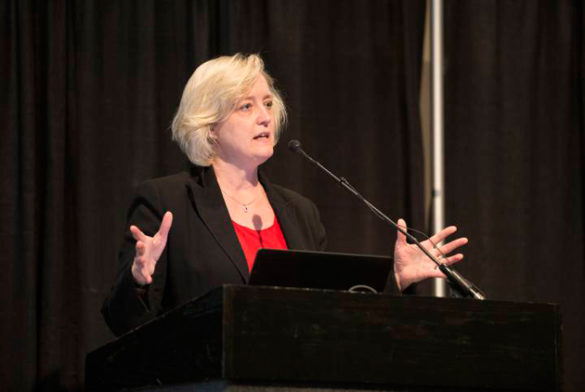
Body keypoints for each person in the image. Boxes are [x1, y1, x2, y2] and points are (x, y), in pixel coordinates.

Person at [102, 54, 467, 336]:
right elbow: (122, 324)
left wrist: (395, 280)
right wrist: (138, 278)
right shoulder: (168, 202)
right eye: (246, 106)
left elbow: (330, 314)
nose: (265, 117)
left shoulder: (300, 212)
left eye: (268, 104)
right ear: (209, 126)